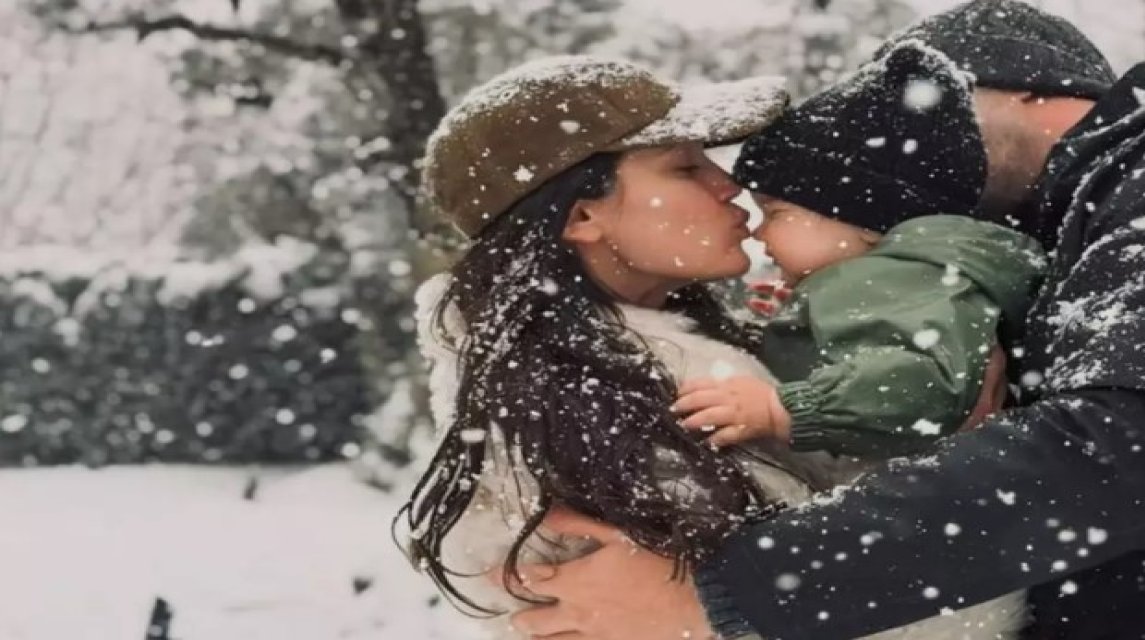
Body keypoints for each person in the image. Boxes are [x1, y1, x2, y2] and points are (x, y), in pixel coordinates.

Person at [505, 1, 1145, 638]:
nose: (923, 151)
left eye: (937, 113)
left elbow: (1121, 450)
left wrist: (732, 588)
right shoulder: (1077, 222)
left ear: (1033, 90)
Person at [398, 56, 1023, 640]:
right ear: (582, 217)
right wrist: (964, 462)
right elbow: (903, 621)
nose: (729, 185)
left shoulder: (632, 363)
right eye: (685, 167)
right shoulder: (575, 412)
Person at [673, 42, 1046, 458]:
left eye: (775, 213)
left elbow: (922, 386)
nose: (758, 232)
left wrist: (781, 410)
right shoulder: (910, 283)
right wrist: (801, 325)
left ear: (865, 221)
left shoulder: (895, 283)